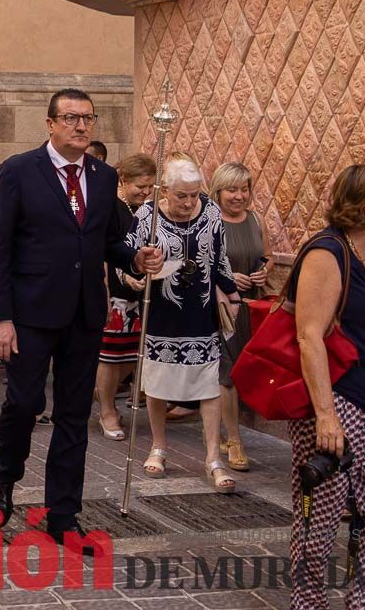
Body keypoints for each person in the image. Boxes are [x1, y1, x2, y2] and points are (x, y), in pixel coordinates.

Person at [0, 88, 162, 550]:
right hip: (29, 314)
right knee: (24, 405)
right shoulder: (21, 171)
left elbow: (108, 240)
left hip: (84, 314)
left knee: (72, 416)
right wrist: (0, 318)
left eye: (88, 118)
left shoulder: (103, 177)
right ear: (50, 124)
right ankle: (5, 478)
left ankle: (63, 514)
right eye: (71, 118)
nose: (81, 126)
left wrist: (135, 256)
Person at [288, 164, 365, 610]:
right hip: (338, 402)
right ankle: (308, 603)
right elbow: (310, 336)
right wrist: (326, 414)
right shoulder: (327, 253)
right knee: (319, 521)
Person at [128, 159, 242, 493]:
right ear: (165, 190)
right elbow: (132, 257)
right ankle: (159, 446)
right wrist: (134, 275)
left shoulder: (211, 215)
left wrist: (232, 296)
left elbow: (220, 259)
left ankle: (212, 458)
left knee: (208, 384)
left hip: (201, 311)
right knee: (158, 384)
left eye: (194, 195)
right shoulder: (147, 216)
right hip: (161, 312)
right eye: (181, 196)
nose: (189, 202)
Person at [210, 161, 269, 471]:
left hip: (252, 306)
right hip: (223, 307)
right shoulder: (210, 222)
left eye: (244, 189)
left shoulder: (256, 219)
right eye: (232, 189)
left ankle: (223, 430)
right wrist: (228, 275)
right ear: (218, 192)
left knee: (244, 369)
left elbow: (267, 257)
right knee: (228, 372)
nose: (238, 195)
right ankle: (234, 440)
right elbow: (199, 265)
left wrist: (262, 273)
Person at [94, 153, 155, 440]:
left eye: (150, 188)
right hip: (117, 293)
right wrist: (123, 276)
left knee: (133, 355)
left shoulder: (148, 209)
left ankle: (100, 393)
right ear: (124, 181)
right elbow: (104, 251)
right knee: (111, 356)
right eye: (140, 187)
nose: (145, 193)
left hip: (144, 291)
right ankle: (107, 410)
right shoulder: (111, 207)